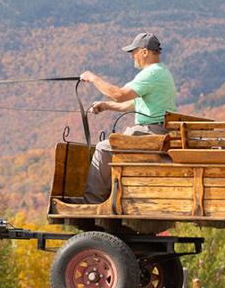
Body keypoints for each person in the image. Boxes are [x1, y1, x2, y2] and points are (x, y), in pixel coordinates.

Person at [70, 32, 178, 204]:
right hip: (158, 131)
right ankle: (108, 198)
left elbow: (119, 95)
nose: (132, 56)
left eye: (133, 52)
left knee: (104, 148)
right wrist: (106, 105)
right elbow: (134, 105)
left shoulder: (151, 74)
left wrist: (92, 78)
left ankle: (92, 202)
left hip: (150, 132)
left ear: (144, 52)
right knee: (110, 145)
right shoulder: (161, 72)